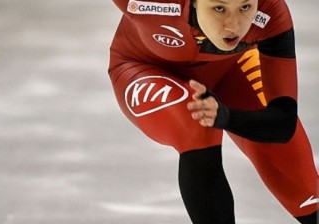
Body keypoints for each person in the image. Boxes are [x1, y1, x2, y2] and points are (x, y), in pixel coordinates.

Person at [108, 0, 319, 223]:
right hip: (145, 66)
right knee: (198, 121)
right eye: (219, 8)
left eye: (245, 7)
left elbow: (282, 124)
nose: (233, 26)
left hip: (232, 68)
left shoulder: (270, 12)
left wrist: (227, 117)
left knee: (306, 193)